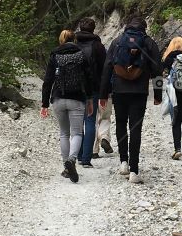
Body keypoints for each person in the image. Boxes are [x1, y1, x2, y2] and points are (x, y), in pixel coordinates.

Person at [99, 12, 162, 183]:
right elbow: (157, 70)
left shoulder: (118, 41)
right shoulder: (149, 42)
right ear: (144, 27)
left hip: (119, 91)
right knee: (135, 128)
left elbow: (107, 68)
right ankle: (134, 171)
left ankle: (123, 162)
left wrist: (103, 94)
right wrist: (158, 94)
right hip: (139, 92)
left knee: (120, 124)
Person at [41, 29, 94, 183]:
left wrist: (44, 104)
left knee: (64, 133)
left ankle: (66, 167)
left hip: (58, 99)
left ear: (61, 40)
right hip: (77, 99)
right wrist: (90, 99)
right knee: (76, 133)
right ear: (74, 40)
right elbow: (89, 78)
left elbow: (48, 80)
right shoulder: (81, 54)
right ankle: (71, 160)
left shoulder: (55, 55)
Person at [73, 17, 107, 168]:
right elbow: (105, 70)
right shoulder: (98, 46)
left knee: (77, 122)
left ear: (80, 28)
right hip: (92, 89)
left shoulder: (73, 44)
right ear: (94, 29)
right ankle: (86, 159)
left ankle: (79, 155)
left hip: (74, 88)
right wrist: (105, 90)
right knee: (90, 121)